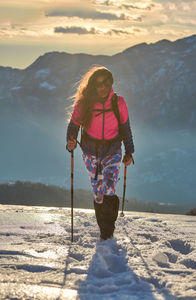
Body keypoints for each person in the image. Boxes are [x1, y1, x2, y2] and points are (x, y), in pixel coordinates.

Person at [66, 66, 134, 241]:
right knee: (98, 192)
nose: (102, 87)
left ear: (111, 83)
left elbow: (125, 128)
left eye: (106, 83)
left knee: (109, 187)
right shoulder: (84, 104)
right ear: (93, 86)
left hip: (113, 149)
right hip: (90, 151)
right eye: (98, 84)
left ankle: (107, 230)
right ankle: (103, 226)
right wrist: (70, 142)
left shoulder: (119, 103)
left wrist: (129, 151)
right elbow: (73, 126)